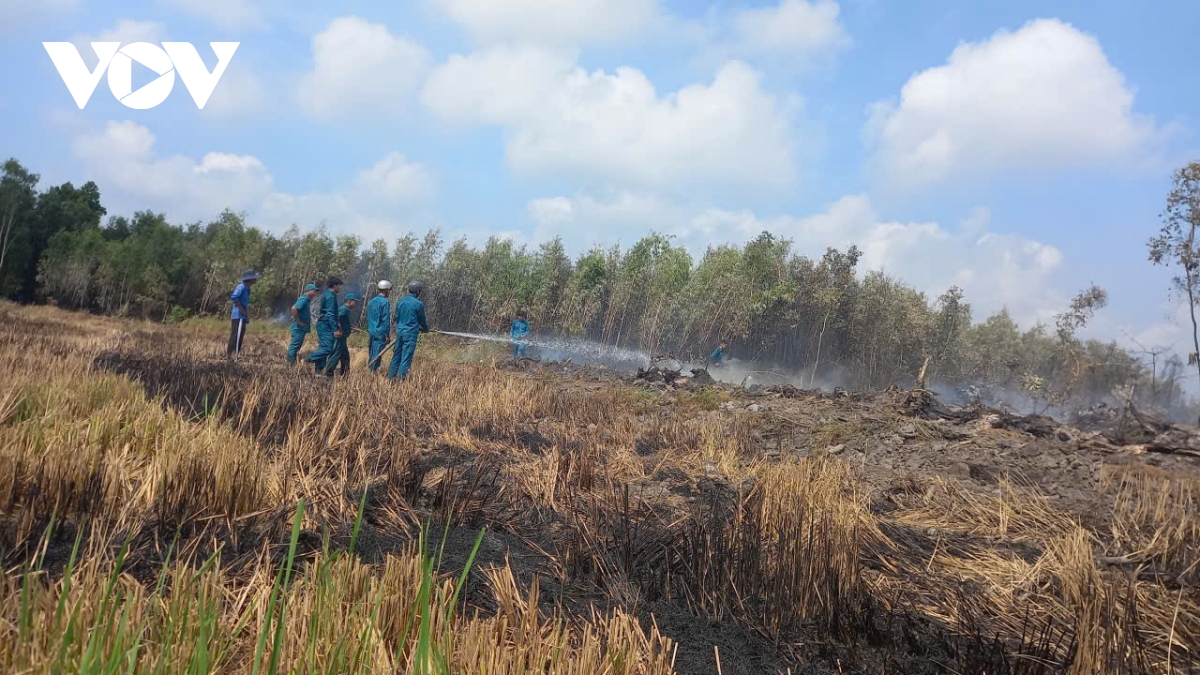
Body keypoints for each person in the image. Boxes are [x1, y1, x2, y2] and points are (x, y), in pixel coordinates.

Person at [388, 280, 430, 381]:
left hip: (400, 333)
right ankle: (400, 381)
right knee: (406, 358)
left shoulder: (400, 301)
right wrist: (425, 329)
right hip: (410, 335)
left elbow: (396, 317)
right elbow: (421, 320)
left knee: (396, 356)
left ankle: (390, 378)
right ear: (418, 292)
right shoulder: (418, 304)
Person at [305, 277, 342, 373]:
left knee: (323, 347)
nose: (340, 288)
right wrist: (335, 329)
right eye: (339, 286)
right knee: (328, 348)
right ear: (334, 286)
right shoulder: (330, 296)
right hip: (325, 325)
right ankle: (307, 360)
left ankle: (318, 371)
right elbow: (330, 314)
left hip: (324, 324)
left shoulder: (329, 294)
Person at [227, 270, 260, 359]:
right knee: (236, 337)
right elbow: (234, 297)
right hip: (238, 316)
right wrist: (241, 309)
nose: (255, 279)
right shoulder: (241, 287)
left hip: (242, 316)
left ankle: (234, 355)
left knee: (239, 336)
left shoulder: (247, 288)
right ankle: (232, 356)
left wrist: (245, 316)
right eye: (254, 278)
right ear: (250, 279)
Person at [325, 293, 359, 376]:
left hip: (343, 338)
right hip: (340, 337)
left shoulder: (346, 310)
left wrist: (349, 326)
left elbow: (342, 321)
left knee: (345, 357)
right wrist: (339, 329)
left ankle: (345, 375)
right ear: (349, 301)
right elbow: (336, 319)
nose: (356, 304)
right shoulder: (343, 309)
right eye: (355, 302)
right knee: (335, 354)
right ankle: (328, 373)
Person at [287, 283, 319, 365]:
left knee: (297, 346)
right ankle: (290, 364)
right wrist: (298, 321)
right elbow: (294, 308)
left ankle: (292, 363)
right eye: (314, 291)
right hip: (298, 328)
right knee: (294, 347)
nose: (315, 293)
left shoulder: (306, 300)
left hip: (301, 328)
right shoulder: (304, 299)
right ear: (308, 291)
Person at [366, 281, 393, 373]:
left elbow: (369, 317)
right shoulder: (385, 302)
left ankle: (369, 372)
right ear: (386, 290)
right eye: (389, 290)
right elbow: (385, 320)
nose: (389, 292)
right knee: (377, 355)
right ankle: (371, 374)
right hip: (380, 333)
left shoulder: (371, 301)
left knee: (372, 353)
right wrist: (387, 335)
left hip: (372, 331)